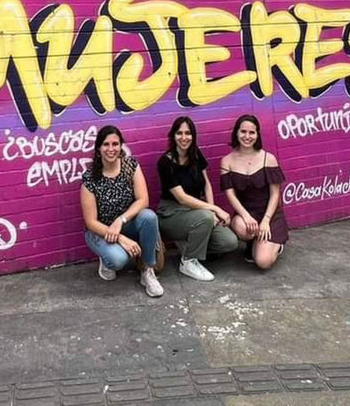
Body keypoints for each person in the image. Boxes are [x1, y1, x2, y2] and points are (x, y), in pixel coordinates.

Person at [80, 125, 164, 297]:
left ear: (121, 146)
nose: (111, 149)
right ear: (98, 149)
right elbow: (90, 222)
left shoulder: (130, 166)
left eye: (115, 144)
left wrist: (121, 220)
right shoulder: (90, 178)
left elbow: (143, 200)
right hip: (99, 232)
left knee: (149, 216)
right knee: (118, 260)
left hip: (124, 225)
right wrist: (120, 238)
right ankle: (105, 258)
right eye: (106, 144)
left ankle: (147, 270)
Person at [157, 116, 238, 281]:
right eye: (179, 133)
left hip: (197, 212)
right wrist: (213, 210)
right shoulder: (165, 163)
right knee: (205, 217)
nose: (184, 137)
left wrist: (212, 211)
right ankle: (188, 261)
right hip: (171, 213)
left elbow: (206, 184)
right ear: (173, 136)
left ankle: (188, 246)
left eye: (188, 133)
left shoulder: (195, 154)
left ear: (193, 136)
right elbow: (182, 198)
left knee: (229, 242)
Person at [221, 114, 288, 270]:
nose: (247, 136)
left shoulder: (268, 159)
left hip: (269, 215)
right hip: (247, 214)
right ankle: (254, 241)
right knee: (239, 226)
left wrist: (266, 220)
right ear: (236, 133)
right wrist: (245, 215)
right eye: (243, 131)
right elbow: (230, 195)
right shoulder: (227, 161)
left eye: (252, 132)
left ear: (257, 135)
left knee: (263, 262)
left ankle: (275, 246)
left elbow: (275, 194)